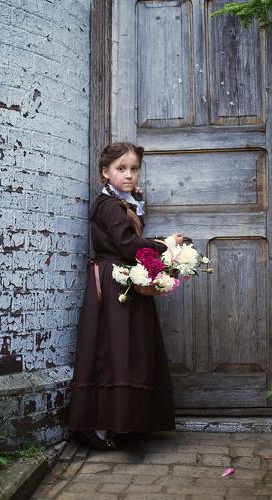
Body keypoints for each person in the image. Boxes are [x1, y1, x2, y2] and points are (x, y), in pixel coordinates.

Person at [67, 142, 182, 450]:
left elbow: (129, 236)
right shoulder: (108, 206)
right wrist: (164, 245)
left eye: (134, 169)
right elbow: (128, 245)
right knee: (113, 348)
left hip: (123, 277)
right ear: (105, 173)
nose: (129, 175)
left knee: (128, 347)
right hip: (113, 280)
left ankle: (124, 422)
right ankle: (101, 425)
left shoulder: (121, 203)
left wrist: (136, 204)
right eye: (121, 169)